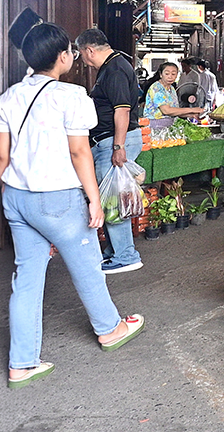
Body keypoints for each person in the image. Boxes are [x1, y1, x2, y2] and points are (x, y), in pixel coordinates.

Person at [0, 22, 144, 389]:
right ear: (63, 57)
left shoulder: (11, 96)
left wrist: (13, 194)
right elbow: (80, 153)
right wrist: (94, 200)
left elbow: (1, 155)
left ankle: (21, 364)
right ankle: (110, 329)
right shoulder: (72, 95)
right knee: (88, 266)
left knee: (26, 280)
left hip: (17, 198)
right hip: (57, 198)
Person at [73, 29, 144, 275]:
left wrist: (118, 146)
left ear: (89, 50)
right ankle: (116, 252)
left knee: (113, 200)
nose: (83, 60)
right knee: (110, 197)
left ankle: (126, 255)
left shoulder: (114, 69)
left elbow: (122, 110)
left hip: (114, 141)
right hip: (109, 141)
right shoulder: (113, 66)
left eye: (82, 54)